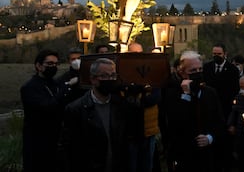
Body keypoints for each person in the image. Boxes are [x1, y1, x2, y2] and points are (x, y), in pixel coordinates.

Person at [63, 58, 130, 172]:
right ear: (93, 79)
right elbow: (68, 147)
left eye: (113, 75)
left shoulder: (121, 105)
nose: (109, 79)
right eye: (104, 76)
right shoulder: (76, 109)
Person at [165, 50, 225, 172]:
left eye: (199, 69)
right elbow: (175, 123)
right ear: (182, 73)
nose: (197, 73)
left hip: (208, 154)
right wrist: (186, 95)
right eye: (193, 71)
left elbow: (219, 121)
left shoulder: (210, 93)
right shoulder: (172, 94)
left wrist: (209, 137)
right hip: (184, 154)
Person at [20, 49, 74, 172]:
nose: (53, 67)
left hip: (56, 141)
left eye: (56, 64)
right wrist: (66, 87)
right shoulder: (29, 87)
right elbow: (47, 106)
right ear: (38, 66)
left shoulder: (55, 84)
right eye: (49, 64)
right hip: (37, 143)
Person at [203, 43, 240, 172]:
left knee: (226, 142)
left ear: (225, 54)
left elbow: (235, 90)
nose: (216, 56)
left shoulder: (232, 70)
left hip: (226, 109)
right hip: (210, 110)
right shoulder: (206, 68)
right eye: (214, 54)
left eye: (219, 54)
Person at [127, 42, 161, 172]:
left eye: (140, 53)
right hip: (130, 131)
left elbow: (155, 98)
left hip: (148, 128)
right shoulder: (125, 72)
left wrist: (138, 99)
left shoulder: (151, 72)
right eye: (134, 54)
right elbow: (125, 100)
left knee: (147, 165)